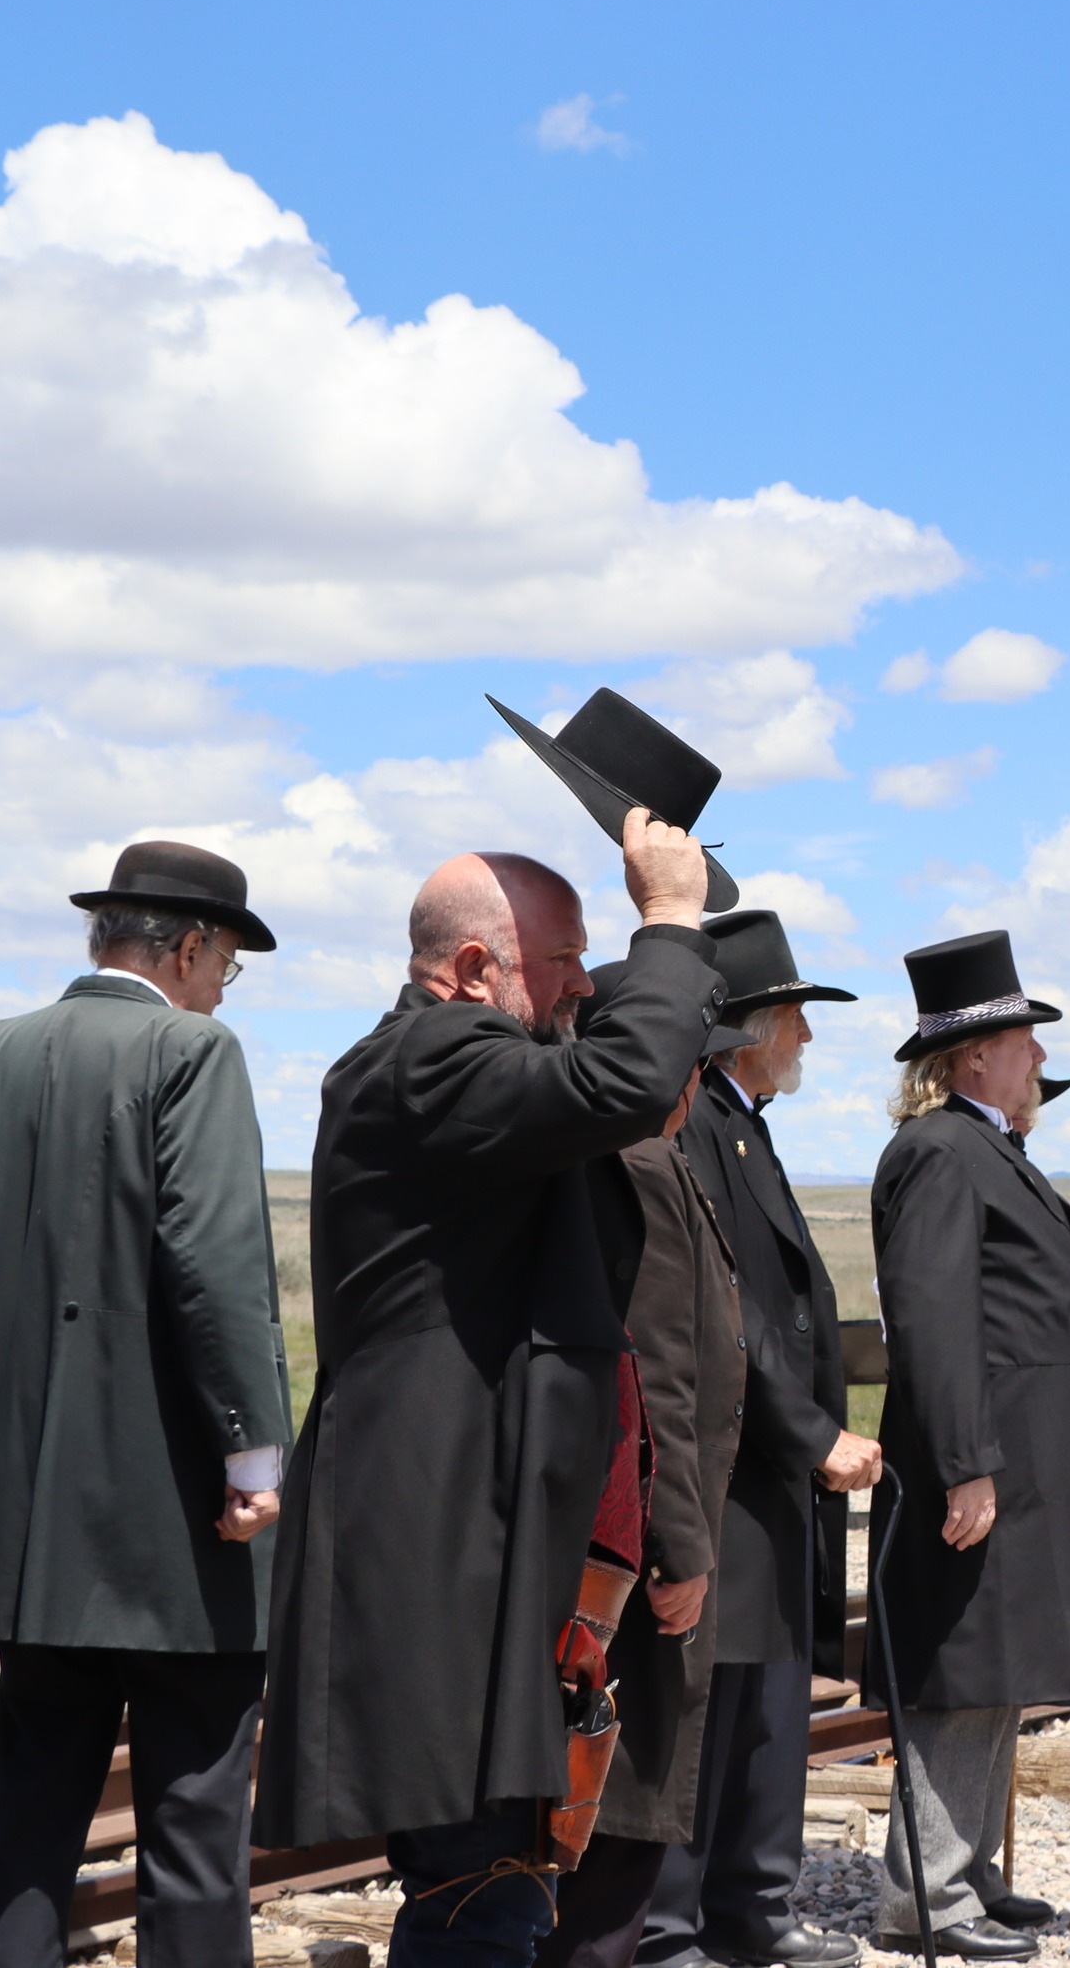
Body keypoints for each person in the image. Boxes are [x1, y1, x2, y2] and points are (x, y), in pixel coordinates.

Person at [256, 808, 720, 1968]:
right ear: (472, 969)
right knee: (477, 1885)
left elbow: (613, 1087)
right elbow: (619, 1080)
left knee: (497, 1874)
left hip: (468, 1533)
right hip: (438, 1538)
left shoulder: (457, 1067)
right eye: (565, 962)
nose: (584, 987)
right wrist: (670, 917)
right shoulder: (428, 1059)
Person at [0, 842, 291, 1968]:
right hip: (178, 1520)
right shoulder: (191, 1050)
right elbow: (215, 1265)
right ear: (187, 945)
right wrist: (253, 1460)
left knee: (28, 1811)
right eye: (227, 962)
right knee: (196, 1822)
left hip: (26, 1513)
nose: (224, 988)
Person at [868, 931, 1070, 1960]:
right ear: (976, 1052)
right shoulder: (941, 1151)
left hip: (1020, 1462)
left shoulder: (978, 1145)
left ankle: (969, 1870)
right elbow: (934, 1319)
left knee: (997, 1670)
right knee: (961, 1670)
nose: (1039, 1058)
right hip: (985, 1462)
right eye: (1027, 1039)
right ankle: (925, 1898)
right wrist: (962, 1461)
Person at [654, 909, 876, 1968]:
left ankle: (753, 1907)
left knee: (767, 1696)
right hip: (730, 1465)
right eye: (794, 1016)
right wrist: (814, 1431)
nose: (807, 1039)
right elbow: (724, 1312)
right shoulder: (697, 1123)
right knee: (711, 1701)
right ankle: (672, 1922)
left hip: (767, 1469)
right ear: (745, 1026)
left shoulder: (744, 1120)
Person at [534, 969, 756, 1968]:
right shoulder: (634, 1160)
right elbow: (657, 1371)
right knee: (612, 1825)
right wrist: (682, 1549)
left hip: (634, 1547)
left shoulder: (651, 1151)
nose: (702, 1085)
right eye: (695, 1063)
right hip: (636, 1561)